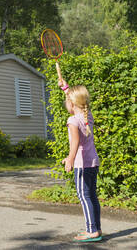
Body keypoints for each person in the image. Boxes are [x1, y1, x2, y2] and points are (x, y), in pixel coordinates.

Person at [56, 62, 102, 242]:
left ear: (72, 104)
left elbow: (75, 142)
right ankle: (95, 228)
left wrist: (69, 159)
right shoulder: (86, 115)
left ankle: (92, 231)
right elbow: (73, 98)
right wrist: (65, 87)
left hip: (82, 164)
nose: (65, 102)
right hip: (93, 162)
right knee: (92, 195)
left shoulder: (72, 120)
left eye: (67, 100)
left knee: (84, 196)